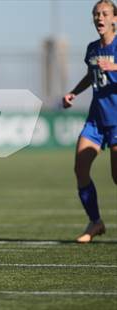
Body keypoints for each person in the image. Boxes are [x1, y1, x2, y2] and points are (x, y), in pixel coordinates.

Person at [63, 0, 117, 243]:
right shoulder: (93, 49)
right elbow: (91, 75)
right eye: (96, 14)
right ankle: (95, 222)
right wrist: (74, 92)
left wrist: (114, 66)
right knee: (80, 168)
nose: (99, 18)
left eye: (105, 13)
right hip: (96, 119)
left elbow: (110, 69)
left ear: (115, 19)